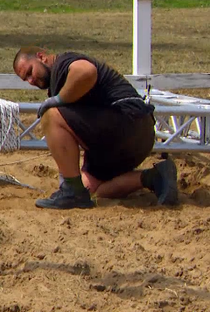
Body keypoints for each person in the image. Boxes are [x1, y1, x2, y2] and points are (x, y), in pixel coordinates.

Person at [13, 47, 178, 209]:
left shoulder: (63, 64)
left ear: (41, 57)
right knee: (91, 189)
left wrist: (57, 100)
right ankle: (154, 177)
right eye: (25, 79)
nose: (31, 81)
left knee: (51, 115)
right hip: (137, 137)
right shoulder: (59, 79)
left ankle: (71, 192)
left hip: (126, 121)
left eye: (29, 72)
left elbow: (87, 71)